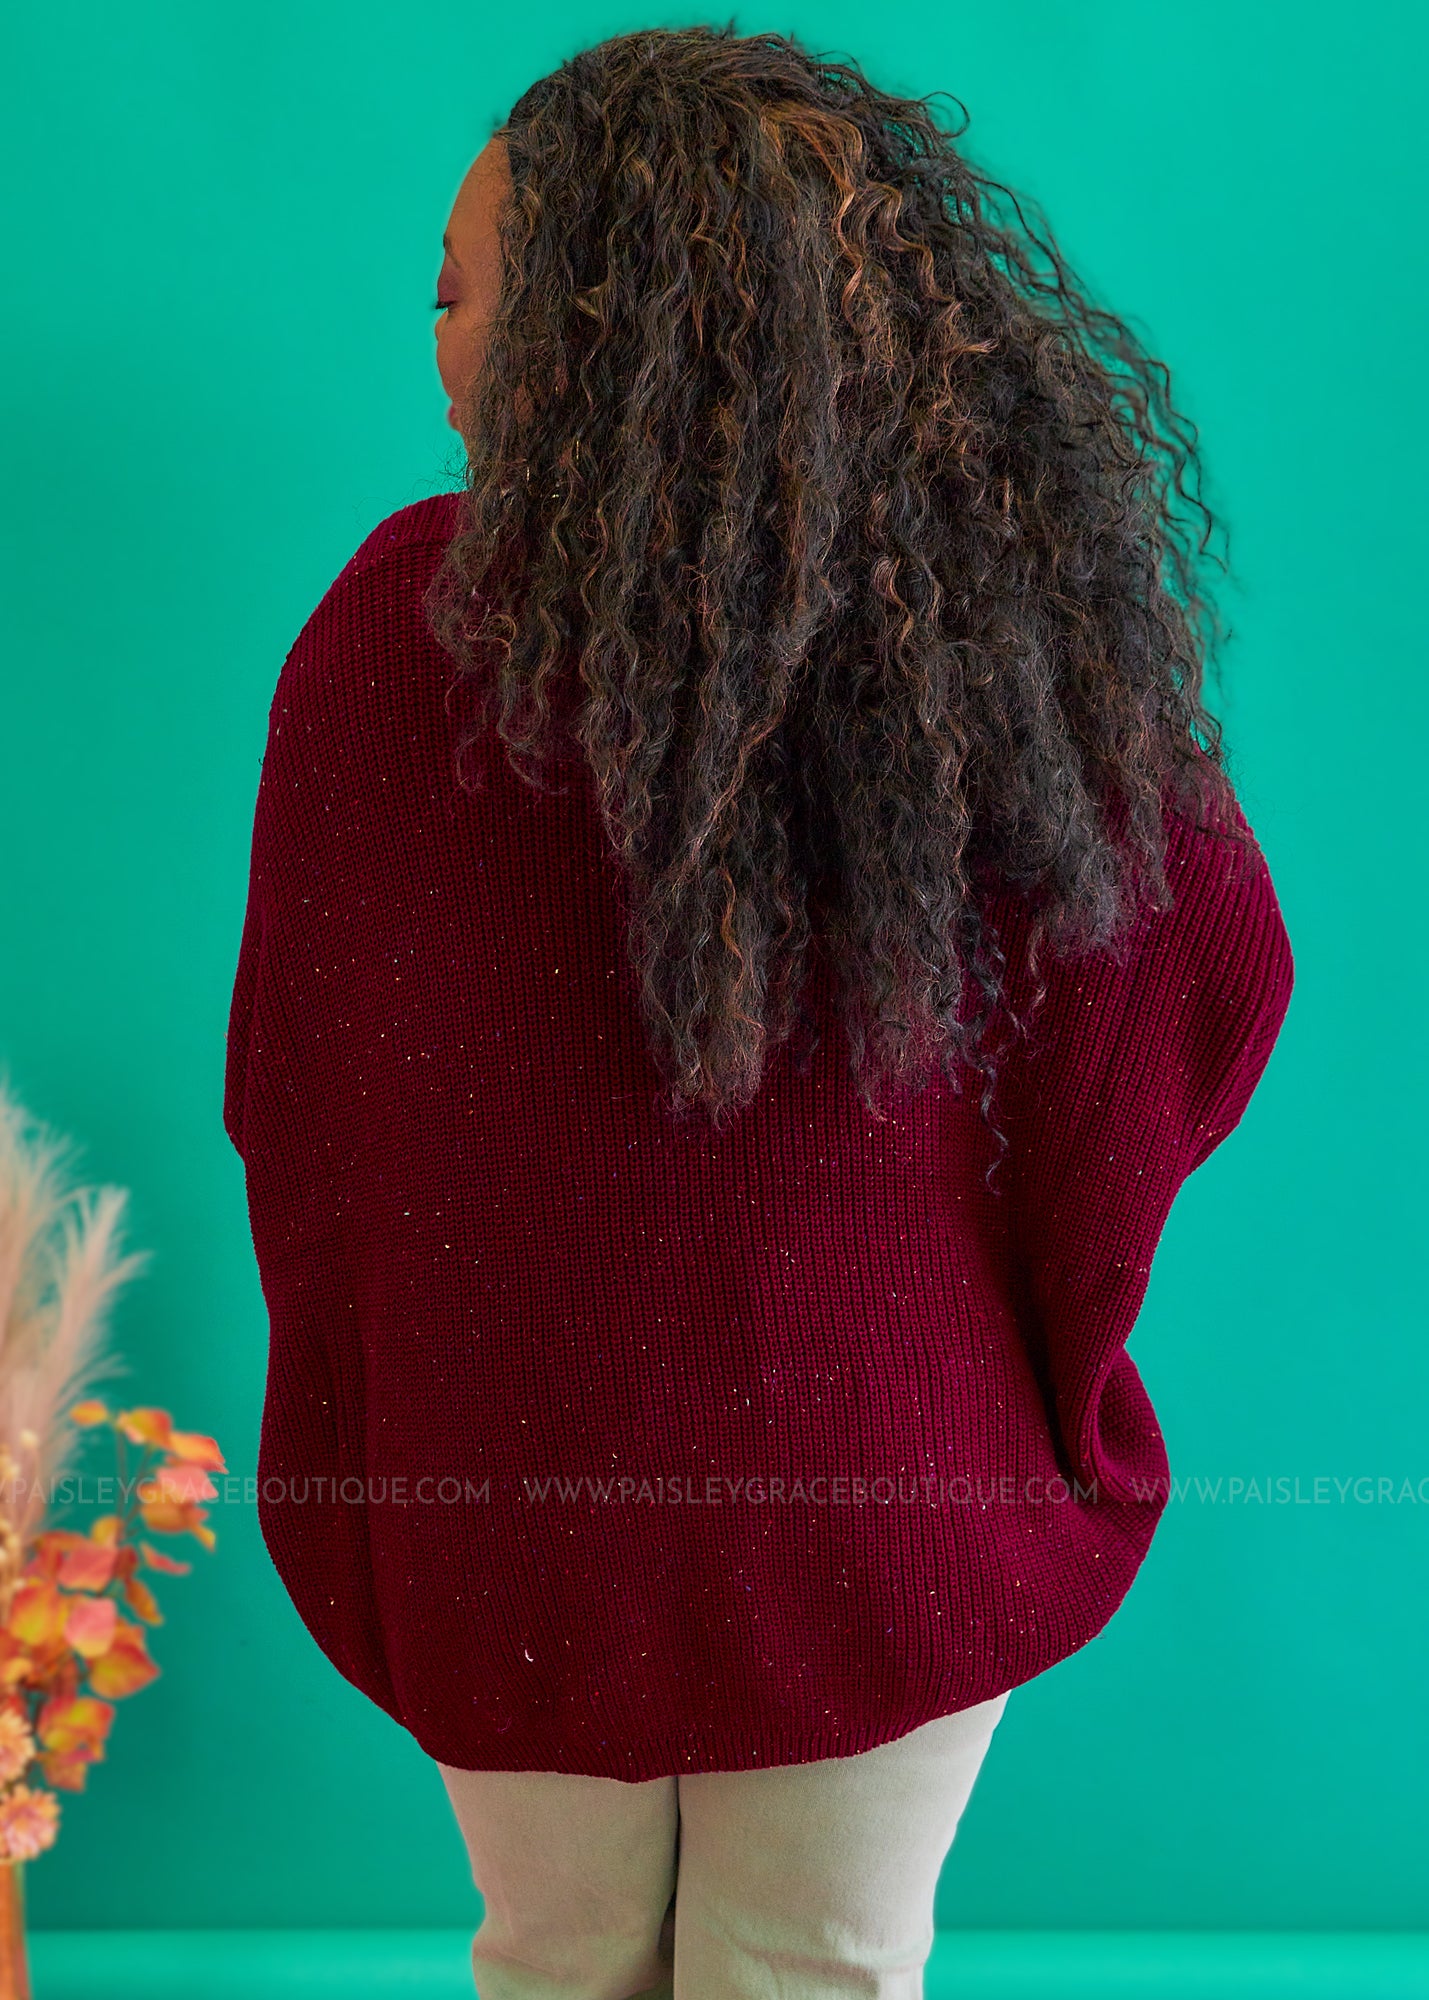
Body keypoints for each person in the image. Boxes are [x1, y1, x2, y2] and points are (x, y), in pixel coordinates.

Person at [223, 25, 1295, 1999]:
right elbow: (1199, 984)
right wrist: (1013, 1303)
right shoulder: (993, 631)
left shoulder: (394, 630)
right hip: (886, 1481)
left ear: (603, 324)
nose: (436, 341)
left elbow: (298, 1099)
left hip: (498, 1488)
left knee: (554, 1961)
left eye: (464, 290)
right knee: (818, 1965)